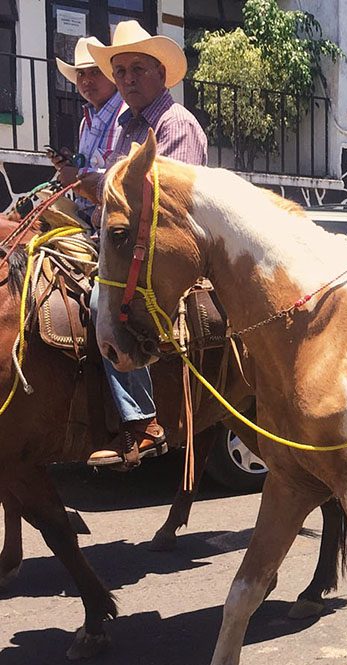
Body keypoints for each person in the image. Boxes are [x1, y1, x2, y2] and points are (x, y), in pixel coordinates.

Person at [74, 21, 208, 468]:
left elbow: (164, 212)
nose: (126, 79)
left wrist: (104, 196)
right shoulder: (125, 125)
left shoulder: (176, 125)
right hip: (121, 242)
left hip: (160, 254)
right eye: (121, 71)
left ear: (161, 74)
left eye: (136, 69)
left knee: (101, 302)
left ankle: (143, 419)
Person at [50, 36, 125, 222]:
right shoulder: (86, 121)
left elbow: (125, 179)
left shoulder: (126, 117)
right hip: (84, 219)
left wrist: (77, 177)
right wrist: (72, 164)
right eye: (81, 74)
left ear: (111, 76)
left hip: (112, 228)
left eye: (95, 72)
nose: (86, 81)